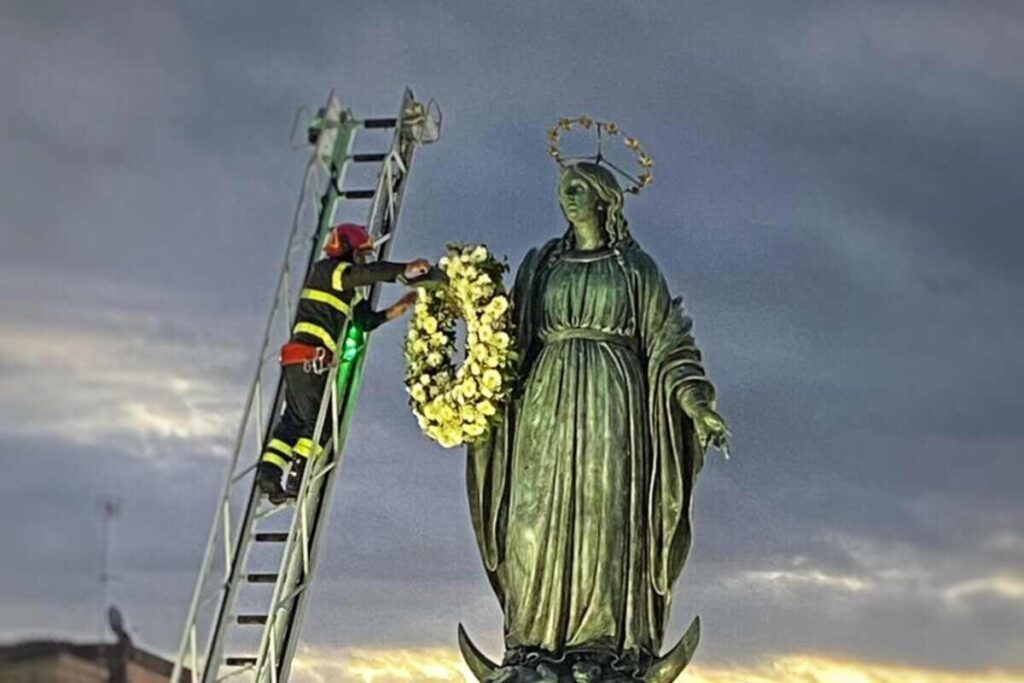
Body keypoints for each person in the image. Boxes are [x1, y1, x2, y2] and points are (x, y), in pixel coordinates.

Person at [464, 162, 728, 680]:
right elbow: (507, 343)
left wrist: (696, 404)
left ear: (606, 198)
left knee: (604, 517)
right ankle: (532, 643)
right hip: (544, 405)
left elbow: (670, 344)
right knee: (531, 518)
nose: (569, 195)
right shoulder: (541, 264)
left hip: (614, 405)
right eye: (564, 188)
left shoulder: (636, 268)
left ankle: (601, 645)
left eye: (579, 187)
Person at [256, 223, 429, 503]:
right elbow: (366, 274)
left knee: (294, 420)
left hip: (298, 361)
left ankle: (269, 473)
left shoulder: (345, 289)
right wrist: (405, 269)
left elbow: (364, 321)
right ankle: (298, 476)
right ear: (347, 250)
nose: (362, 261)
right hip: (311, 361)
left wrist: (398, 308)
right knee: (320, 425)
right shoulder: (330, 271)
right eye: (360, 254)